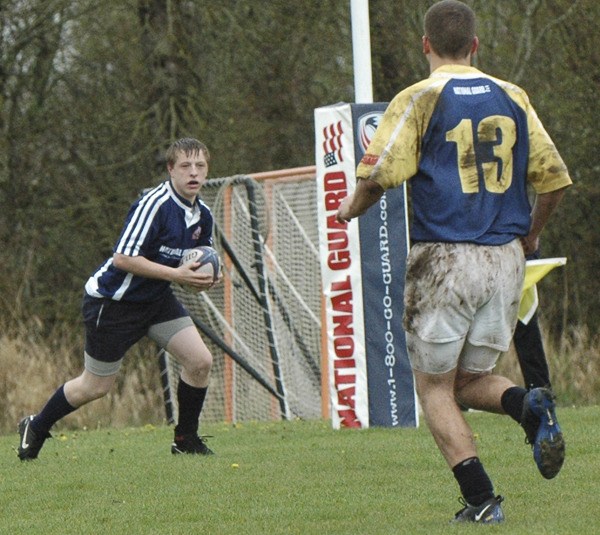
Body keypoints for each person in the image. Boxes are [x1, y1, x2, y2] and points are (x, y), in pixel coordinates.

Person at [336, 0, 571, 524]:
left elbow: (377, 177)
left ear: (426, 45)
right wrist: (531, 235)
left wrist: (348, 209)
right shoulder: (512, 96)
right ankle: (528, 405)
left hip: (445, 258)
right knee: (467, 380)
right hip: (506, 261)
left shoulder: (419, 96)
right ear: (475, 46)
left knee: (435, 388)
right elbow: (554, 179)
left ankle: (481, 499)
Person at [18, 137, 219, 460]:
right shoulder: (154, 205)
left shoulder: (203, 215)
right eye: (185, 166)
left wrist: (206, 278)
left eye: (200, 166)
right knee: (95, 387)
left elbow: (199, 259)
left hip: (155, 301)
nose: (193, 173)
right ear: (170, 170)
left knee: (200, 362)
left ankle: (186, 440)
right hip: (113, 303)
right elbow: (123, 259)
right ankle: (36, 425)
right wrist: (177, 277)